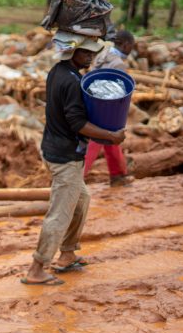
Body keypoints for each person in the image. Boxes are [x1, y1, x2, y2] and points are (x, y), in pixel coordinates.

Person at [22, 31, 125, 286]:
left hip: (55, 149)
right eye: (85, 52)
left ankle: (67, 254)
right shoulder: (71, 82)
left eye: (92, 52)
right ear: (72, 51)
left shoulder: (59, 72)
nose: (90, 56)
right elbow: (78, 123)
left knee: (82, 200)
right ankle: (37, 269)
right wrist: (111, 136)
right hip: (65, 156)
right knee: (60, 213)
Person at [84, 30, 135, 187]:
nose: (131, 50)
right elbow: (121, 91)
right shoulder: (118, 63)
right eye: (131, 47)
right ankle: (77, 178)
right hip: (108, 108)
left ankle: (118, 175)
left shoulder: (102, 55)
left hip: (93, 103)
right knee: (94, 145)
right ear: (125, 45)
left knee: (111, 142)